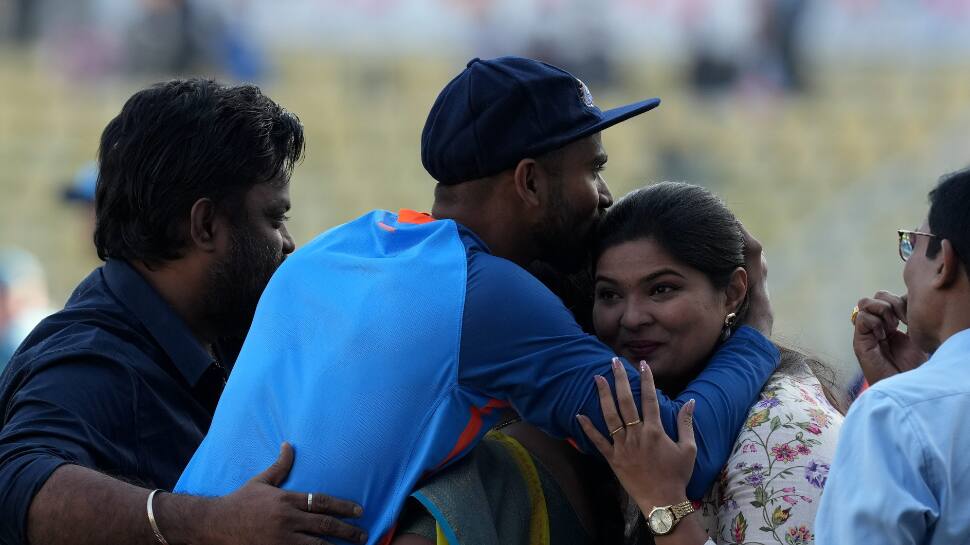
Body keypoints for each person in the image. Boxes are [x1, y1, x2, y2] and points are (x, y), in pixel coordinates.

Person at [175, 57, 781, 545]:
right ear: (530, 183)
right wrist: (753, 332)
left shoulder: (338, 248)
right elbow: (671, 453)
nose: (603, 195)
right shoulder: (482, 296)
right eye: (591, 170)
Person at [0, 78, 366, 545]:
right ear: (205, 224)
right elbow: (17, 484)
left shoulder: (222, 332)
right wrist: (211, 523)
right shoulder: (94, 359)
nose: (288, 243)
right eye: (274, 218)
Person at [395, 182, 844, 545]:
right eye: (609, 295)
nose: (631, 318)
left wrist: (664, 505)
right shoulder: (627, 424)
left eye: (662, 290)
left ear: (732, 293)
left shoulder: (783, 428)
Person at [815, 168, 970, 544]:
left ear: (943, 262)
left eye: (912, 244)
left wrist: (906, 400)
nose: (905, 267)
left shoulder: (893, 414)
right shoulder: (905, 408)